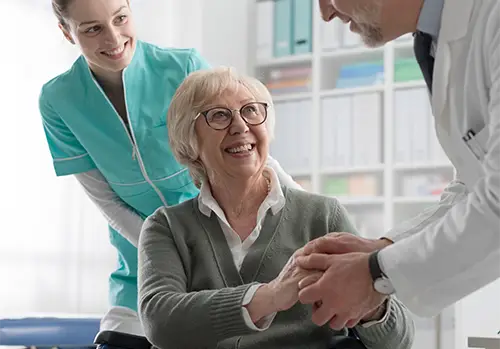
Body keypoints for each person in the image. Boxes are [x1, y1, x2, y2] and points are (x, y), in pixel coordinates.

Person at [39, 0, 299, 339]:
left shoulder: (182, 67)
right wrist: (162, 251)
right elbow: (105, 200)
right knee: (122, 338)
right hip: (141, 257)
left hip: (224, 243)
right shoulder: (58, 100)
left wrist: (308, 213)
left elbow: (248, 151)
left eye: (120, 19)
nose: (114, 38)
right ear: (66, 32)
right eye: (92, 29)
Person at [137, 66, 415, 349]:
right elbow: (160, 322)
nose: (240, 126)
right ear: (190, 140)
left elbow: (399, 340)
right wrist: (271, 296)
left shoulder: (322, 216)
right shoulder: (166, 227)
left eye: (251, 111)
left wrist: (365, 299)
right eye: (219, 115)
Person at [294, 0, 500, 330]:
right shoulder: (438, 39)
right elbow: (475, 184)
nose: (325, 13)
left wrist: (377, 273)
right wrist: (385, 248)